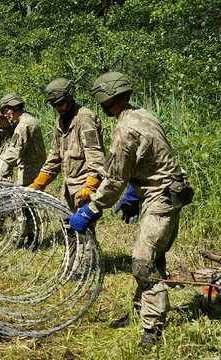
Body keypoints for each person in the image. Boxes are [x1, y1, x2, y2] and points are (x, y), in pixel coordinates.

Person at [68, 71, 193, 347]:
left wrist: (91, 210)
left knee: (143, 261)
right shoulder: (143, 114)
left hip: (161, 196)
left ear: (107, 100)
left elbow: (114, 179)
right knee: (152, 256)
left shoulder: (125, 129)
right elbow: (152, 158)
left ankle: (152, 330)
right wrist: (135, 192)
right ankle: (141, 312)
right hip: (164, 190)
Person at [28, 78, 106, 211]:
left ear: (70, 98)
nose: (59, 108)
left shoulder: (85, 119)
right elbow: (55, 156)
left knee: (82, 227)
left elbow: (95, 156)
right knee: (66, 225)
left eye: (61, 103)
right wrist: (38, 184)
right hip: (68, 186)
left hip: (84, 185)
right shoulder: (60, 121)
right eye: (54, 105)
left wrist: (91, 186)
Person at [0, 94, 46, 185]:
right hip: (36, 168)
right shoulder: (29, 119)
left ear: (14, 108)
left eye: (6, 111)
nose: (5, 115)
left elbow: (13, 151)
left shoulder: (23, 125)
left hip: (30, 171)